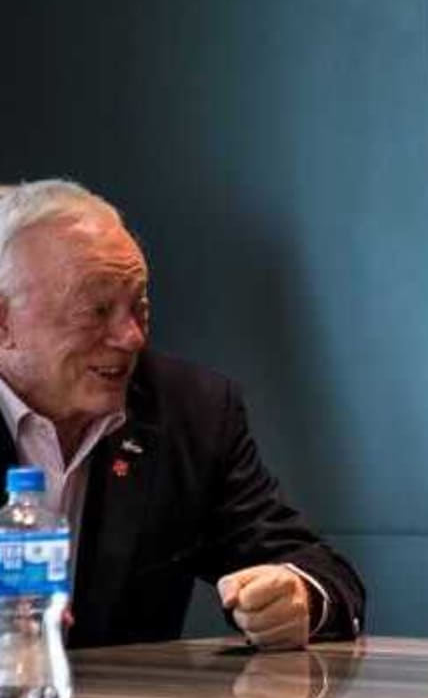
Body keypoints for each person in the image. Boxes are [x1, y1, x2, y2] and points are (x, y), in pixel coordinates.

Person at [0, 179, 365, 649]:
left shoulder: (190, 412)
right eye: (96, 310)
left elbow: (317, 569)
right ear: (5, 324)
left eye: (140, 308)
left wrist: (296, 596)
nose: (131, 337)